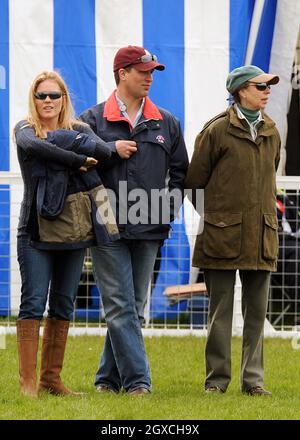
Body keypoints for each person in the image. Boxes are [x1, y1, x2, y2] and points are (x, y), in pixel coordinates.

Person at [15, 70, 133, 397]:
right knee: (33, 303)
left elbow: (103, 150)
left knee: (64, 304)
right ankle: (28, 383)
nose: (48, 101)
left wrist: (71, 143)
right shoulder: (25, 128)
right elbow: (32, 146)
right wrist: (77, 158)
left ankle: (51, 380)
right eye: (42, 96)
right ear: (34, 100)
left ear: (64, 98)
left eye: (55, 95)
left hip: (75, 230)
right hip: (35, 232)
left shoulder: (80, 128)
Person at [80, 46, 189, 395]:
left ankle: (106, 380)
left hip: (150, 229)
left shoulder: (167, 122)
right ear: (122, 73)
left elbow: (179, 174)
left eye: (152, 72)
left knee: (133, 308)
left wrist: (164, 211)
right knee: (120, 305)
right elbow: (82, 170)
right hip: (106, 229)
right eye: (143, 71)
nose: (149, 78)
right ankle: (139, 382)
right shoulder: (92, 120)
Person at [185, 65, 281, 396]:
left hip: (262, 236)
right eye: (261, 86)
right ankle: (217, 381)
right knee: (220, 315)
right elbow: (194, 184)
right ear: (241, 90)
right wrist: (218, 219)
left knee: (256, 315)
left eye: (269, 86)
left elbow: (271, 177)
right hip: (220, 238)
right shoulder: (215, 131)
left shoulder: (272, 130)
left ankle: (253, 382)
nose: (267, 91)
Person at [272, 191, 300, 324]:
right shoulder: (264, 197)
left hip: (293, 244)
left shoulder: (286, 200)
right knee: (296, 254)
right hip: (276, 245)